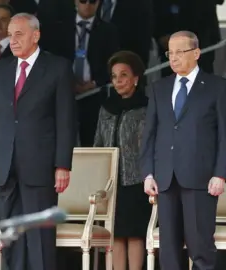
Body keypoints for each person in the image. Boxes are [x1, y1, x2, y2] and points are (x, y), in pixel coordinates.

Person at [0, 13, 76, 270]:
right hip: (5, 167)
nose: (12, 40)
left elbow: (66, 120)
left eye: (19, 34)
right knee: (11, 238)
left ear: (36, 35)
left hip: (41, 166)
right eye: (10, 35)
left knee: (40, 239)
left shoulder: (57, 67)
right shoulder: (0, 68)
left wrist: (62, 165)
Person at [140, 30, 226, 270]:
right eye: (169, 53)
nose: (173, 58)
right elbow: (150, 134)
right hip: (165, 178)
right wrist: (148, 173)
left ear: (196, 53)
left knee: (200, 247)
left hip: (201, 178)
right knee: (169, 251)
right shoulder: (159, 88)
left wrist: (221, 173)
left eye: (179, 52)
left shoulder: (217, 87)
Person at [93, 51, 150, 270]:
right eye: (114, 76)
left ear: (136, 78)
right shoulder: (107, 107)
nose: (118, 81)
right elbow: (98, 141)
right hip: (110, 183)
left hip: (136, 181)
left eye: (124, 75)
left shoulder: (146, 107)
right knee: (115, 235)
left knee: (135, 234)